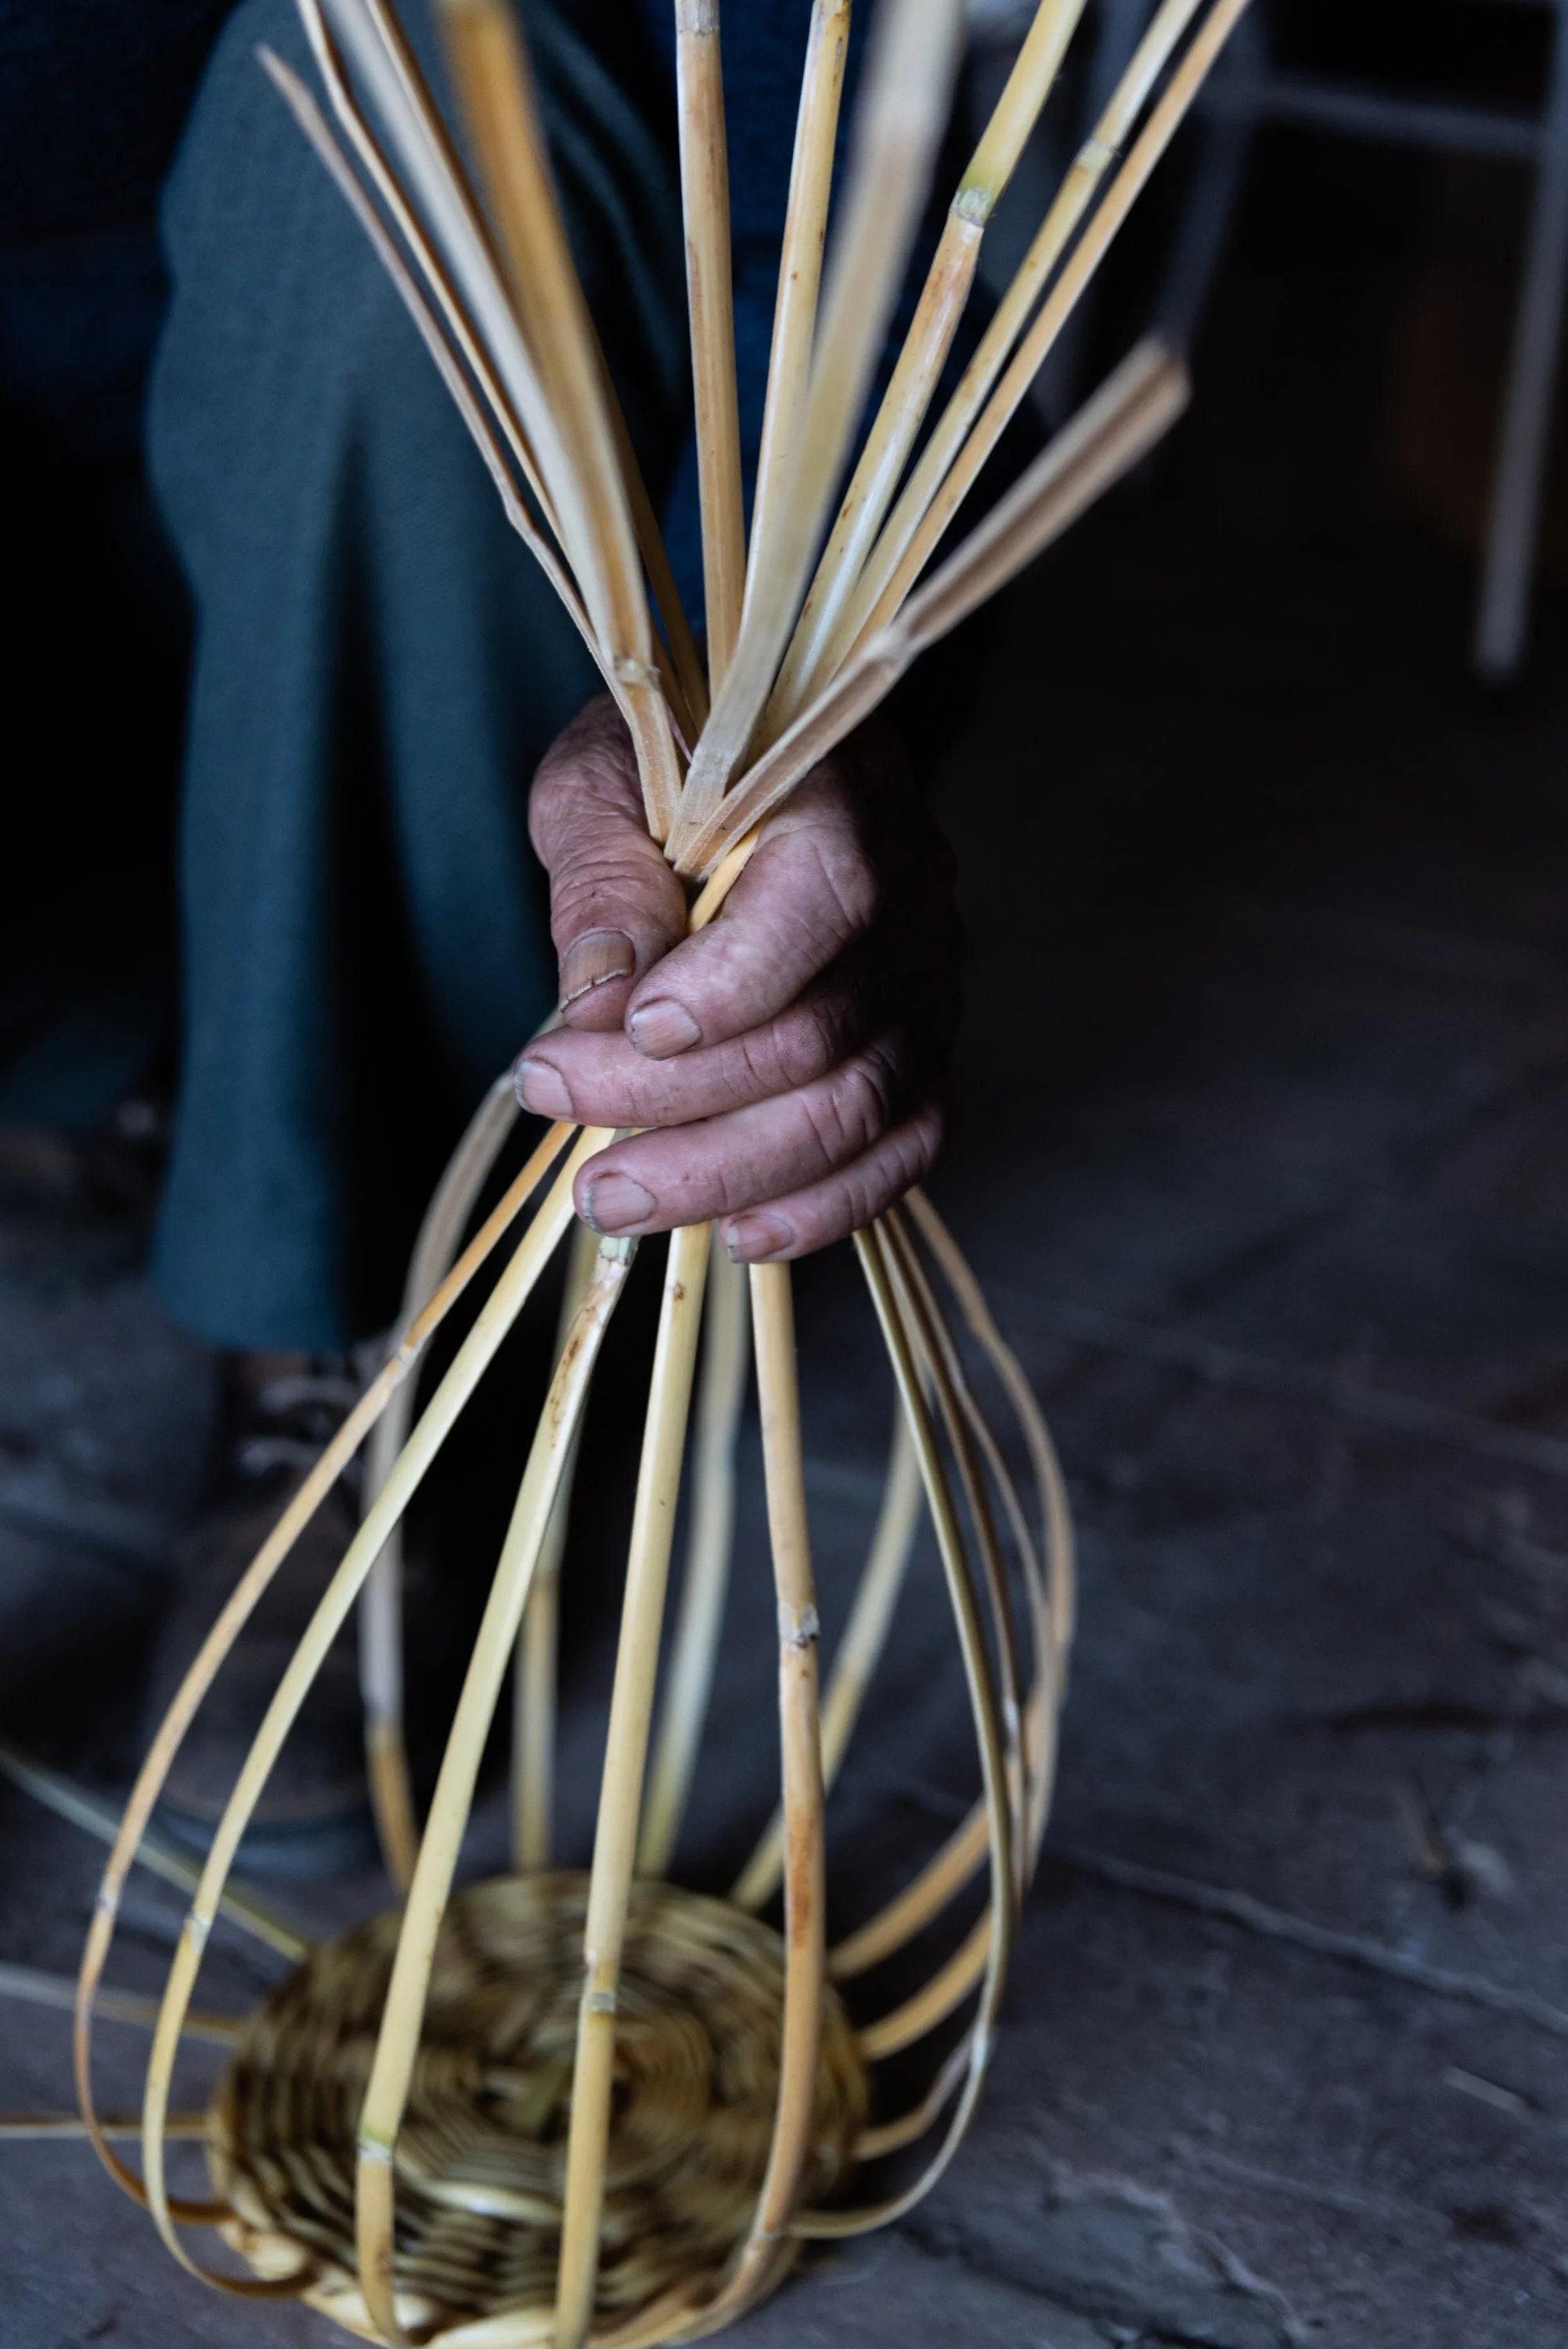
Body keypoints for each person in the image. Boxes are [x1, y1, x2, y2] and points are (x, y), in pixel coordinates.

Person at [136, 0, 971, 1867]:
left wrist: (784, 663)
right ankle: (125, 1051)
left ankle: (337, 1305)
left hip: (375, 526)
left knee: (386, 116)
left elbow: (834, 111)